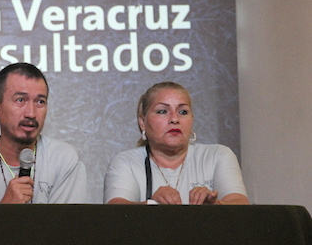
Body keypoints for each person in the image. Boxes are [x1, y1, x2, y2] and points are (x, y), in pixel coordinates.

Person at [0, 62, 87, 204]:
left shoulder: (64, 160)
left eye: (40, 102)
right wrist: (5, 209)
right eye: (20, 100)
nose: (31, 113)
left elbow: (67, 225)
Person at [104, 81, 249, 205]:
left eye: (183, 112)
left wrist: (215, 206)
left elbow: (240, 204)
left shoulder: (218, 155)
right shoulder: (126, 162)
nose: (174, 119)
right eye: (162, 111)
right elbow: (115, 211)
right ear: (143, 122)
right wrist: (152, 204)